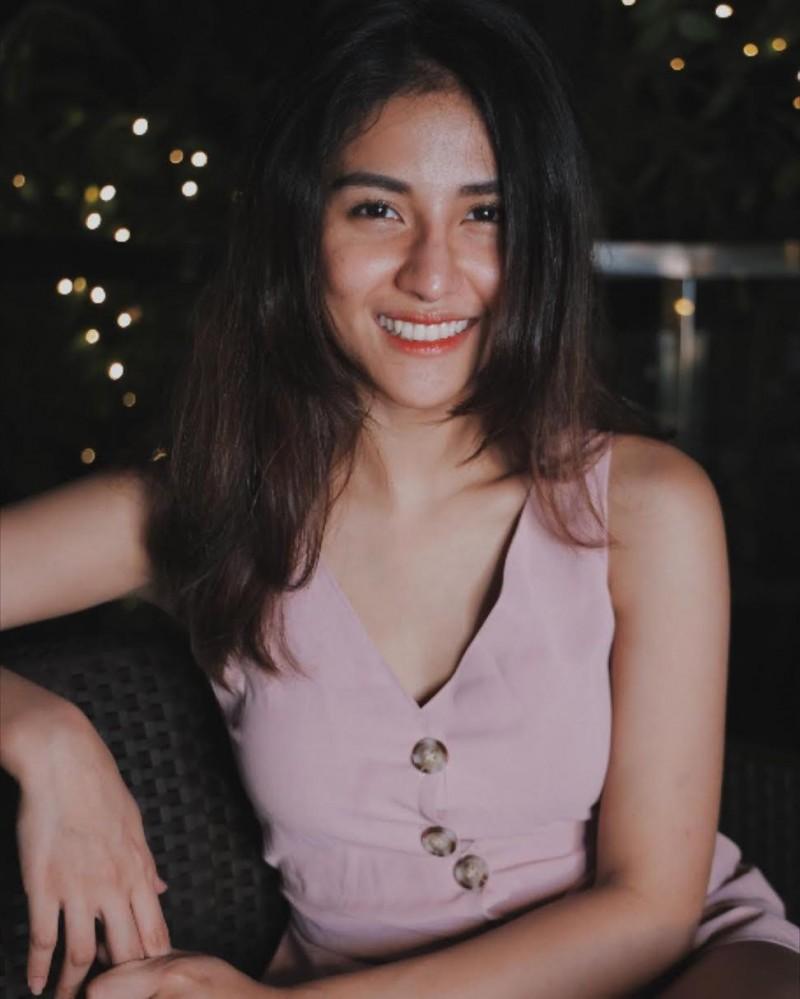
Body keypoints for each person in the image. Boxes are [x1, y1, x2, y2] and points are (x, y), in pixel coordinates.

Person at [1, 0, 798, 996]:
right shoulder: (208, 501)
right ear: (303, 231)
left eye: (485, 214)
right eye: (377, 210)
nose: (432, 273)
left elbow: (651, 908)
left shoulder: (647, 507)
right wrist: (44, 735)